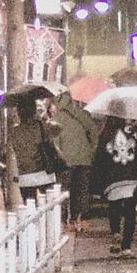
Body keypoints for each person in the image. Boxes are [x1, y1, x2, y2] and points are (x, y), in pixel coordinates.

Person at [93, 117, 137, 258]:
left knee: (114, 207)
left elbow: (99, 158)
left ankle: (115, 234)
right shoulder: (135, 131)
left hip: (112, 178)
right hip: (131, 177)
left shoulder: (106, 133)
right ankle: (126, 247)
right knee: (130, 211)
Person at [51, 90, 99, 232]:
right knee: (81, 190)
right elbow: (94, 133)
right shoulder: (82, 114)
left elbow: (54, 143)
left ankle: (64, 222)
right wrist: (90, 150)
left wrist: (59, 158)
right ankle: (80, 220)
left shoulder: (56, 119)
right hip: (84, 159)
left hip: (65, 161)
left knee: (64, 191)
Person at [7, 96, 61, 203]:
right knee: (49, 206)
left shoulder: (14, 132)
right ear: (34, 111)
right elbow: (58, 130)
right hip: (44, 172)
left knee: (29, 207)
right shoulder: (42, 126)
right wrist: (41, 120)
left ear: (19, 113)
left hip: (25, 176)